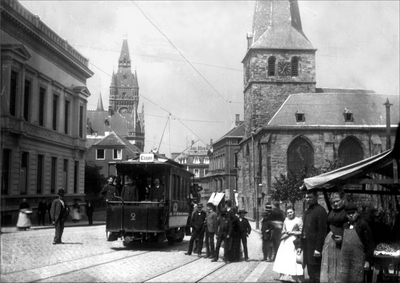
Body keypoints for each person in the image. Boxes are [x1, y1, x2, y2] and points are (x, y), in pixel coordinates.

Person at [337, 203, 375, 283]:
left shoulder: (363, 225)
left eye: (353, 213)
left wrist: (367, 261)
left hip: (359, 261)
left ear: (357, 213)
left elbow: (370, 245)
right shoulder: (344, 226)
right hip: (346, 261)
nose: (351, 215)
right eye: (348, 214)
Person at [320, 191, 347, 283]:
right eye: (333, 202)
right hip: (329, 241)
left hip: (340, 242)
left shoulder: (347, 211)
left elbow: (350, 228)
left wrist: (344, 237)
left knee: (338, 264)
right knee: (329, 263)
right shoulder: (332, 211)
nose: (335, 204)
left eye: (337, 201)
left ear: (343, 200)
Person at [302, 191, 327, 283]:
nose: (308, 199)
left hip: (314, 248)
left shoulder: (320, 211)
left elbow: (322, 231)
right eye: (306, 197)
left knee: (316, 274)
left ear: (316, 197)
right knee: (310, 272)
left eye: (310, 197)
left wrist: (318, 248)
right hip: (308, 247)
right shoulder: (308, 210)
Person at [273, 205, 304, 282]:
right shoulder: (286, 220)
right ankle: (285, 276)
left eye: (291, 212)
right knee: (285, 258)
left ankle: (294, 276)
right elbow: (283, 230)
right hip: (285, 241)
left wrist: (292, 232)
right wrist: (284, 232)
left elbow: (302, 232)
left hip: (294, 241)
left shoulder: (298, 220)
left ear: (294, 212)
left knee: (293, 258)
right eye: (288, 213)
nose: (290, 214)